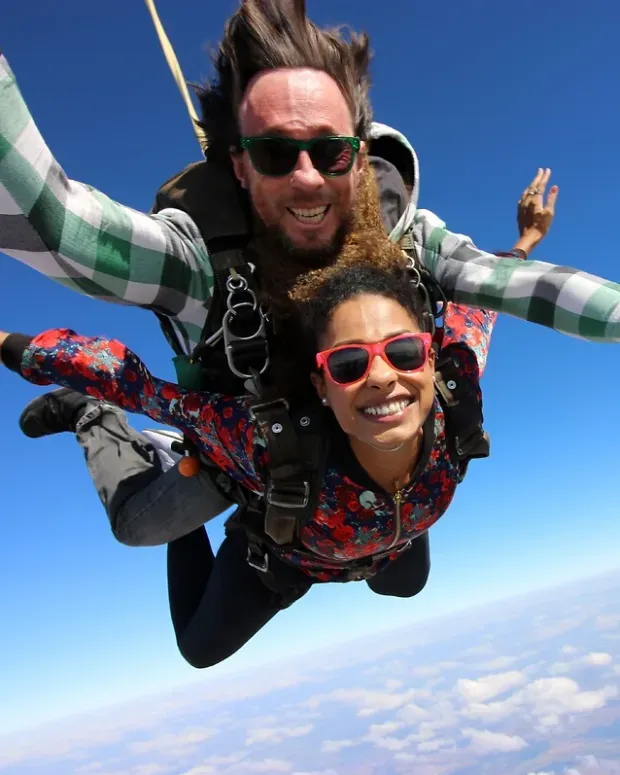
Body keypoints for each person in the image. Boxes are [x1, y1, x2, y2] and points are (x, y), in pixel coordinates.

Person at [2, 0, 619, 553]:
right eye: (275, 153)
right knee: (142, 526)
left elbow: (495, 290)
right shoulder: (202, 266)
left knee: (401, 562)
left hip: (366, 460)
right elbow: (61, 232)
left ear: (358, 154)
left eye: (329, 152)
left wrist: (528, 245)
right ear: (240, 167)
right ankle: (90, 418)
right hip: (250, 450)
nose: (307, 179)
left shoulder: (405, 237)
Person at [0, 236, 497, 668]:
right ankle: (107, 425)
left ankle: (374, 545)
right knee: (196, 642)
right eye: (348, 364)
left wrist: (522, 245)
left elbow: (482, 304)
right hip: (284, 555)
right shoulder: (269, 439)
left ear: (431, 358)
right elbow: (135, 386)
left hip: (389, 543)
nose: (384, 376)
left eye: (404, 352)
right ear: (320, 386)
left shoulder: (457, 399)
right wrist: (12, 345)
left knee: (406, 585)